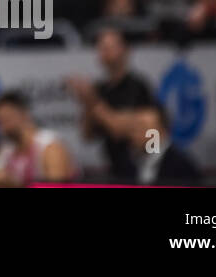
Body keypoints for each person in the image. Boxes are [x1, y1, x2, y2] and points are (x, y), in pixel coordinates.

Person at [66, 28, 154, 182]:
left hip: (141, 167)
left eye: (109, 47)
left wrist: (92, 101)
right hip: (114, 167)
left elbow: (120, 129)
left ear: (125, 51)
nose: (104, 53)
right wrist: (87, 104)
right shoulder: (100, 90)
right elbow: (88, 135)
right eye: (101, 48)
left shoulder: (137, 87)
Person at [0, 91, 76, 186]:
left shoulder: (49, 146)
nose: (2, 128)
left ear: (24, 114)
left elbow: (56, 185)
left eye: (6, 119)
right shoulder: (7, 151)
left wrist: (14, 185)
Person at [129, 104, 200, 185]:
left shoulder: (182, 167)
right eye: (133, 128)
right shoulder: (129, 162)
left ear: (163, 130)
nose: (135, 134)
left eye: (143, 127)